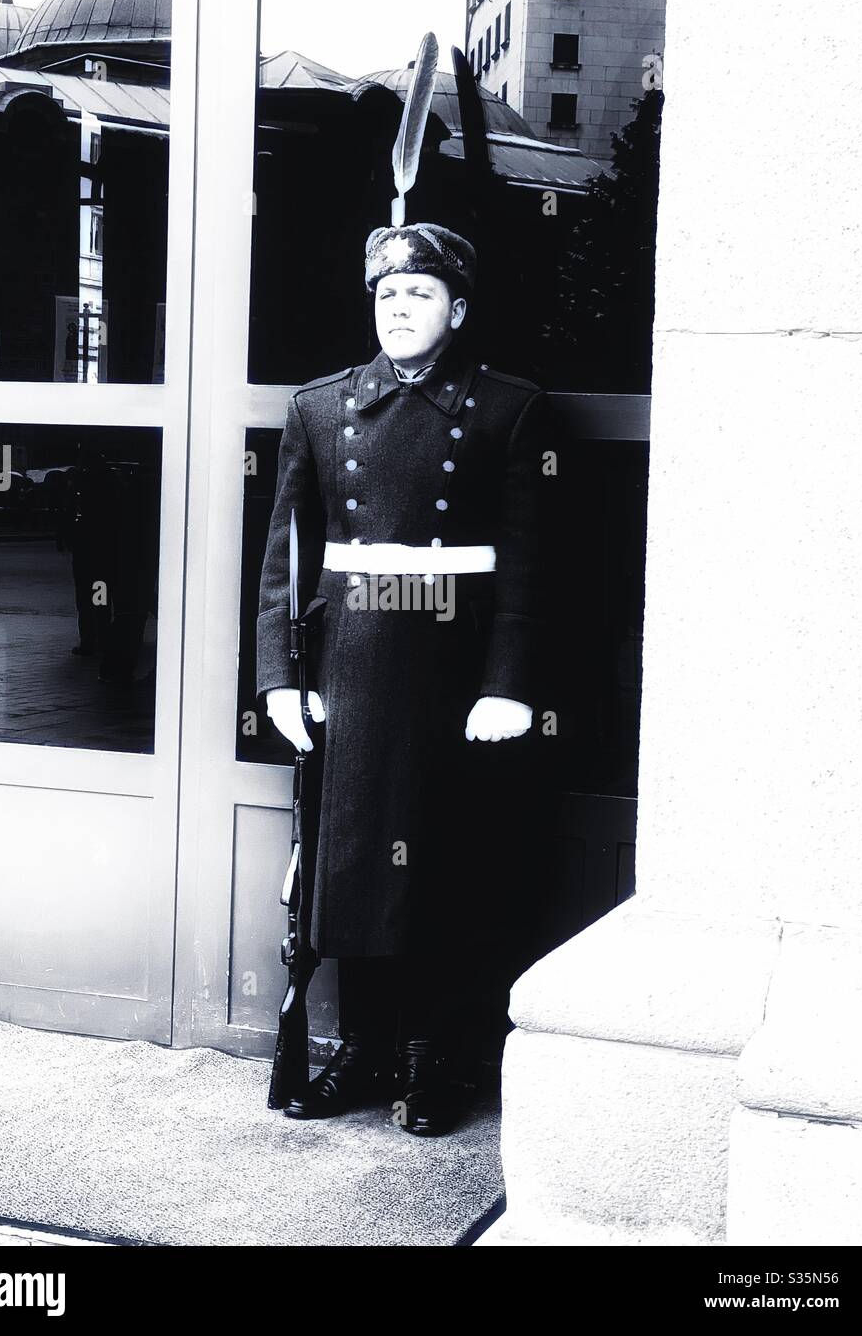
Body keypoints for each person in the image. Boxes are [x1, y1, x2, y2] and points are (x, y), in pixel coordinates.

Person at [256, 223, 548, 1135]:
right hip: (351, 669)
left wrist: (508, 683)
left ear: (456, 310)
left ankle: (439, 1059)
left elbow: (534, 568)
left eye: (419, 293)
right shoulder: (319, 408)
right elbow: (283, 560)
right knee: (350, 871)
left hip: (455, 677)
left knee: (448, 869)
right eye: (386, 293)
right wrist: (278, 677)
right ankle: (367, 1050)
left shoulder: (510, 410)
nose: (398, 306)